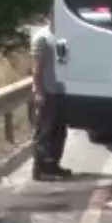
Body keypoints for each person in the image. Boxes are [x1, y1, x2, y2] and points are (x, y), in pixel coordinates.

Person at [30, 24, 72, 180]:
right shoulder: (42, 38)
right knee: (45, 132)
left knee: (59, 131)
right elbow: (36, 67)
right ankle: (41, 170)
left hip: (60, 91)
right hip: (47, 91)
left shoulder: (62, 34)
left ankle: (53, 165)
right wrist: (38, 91)